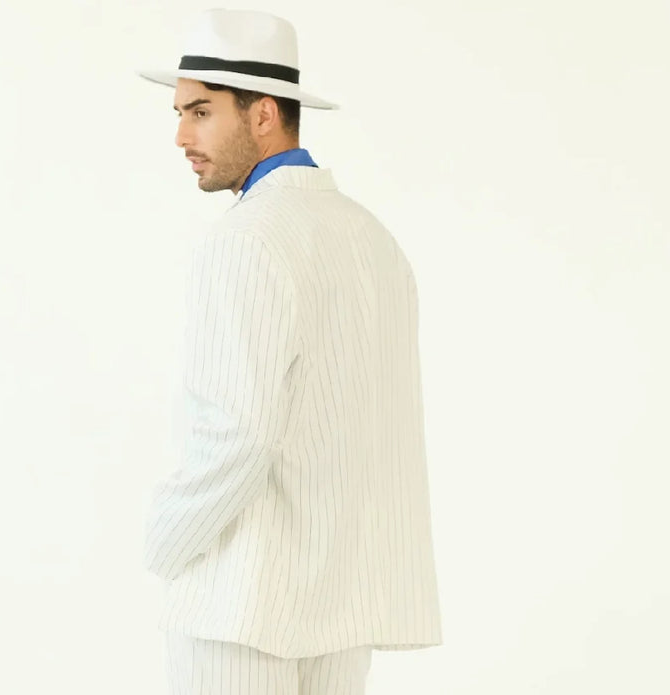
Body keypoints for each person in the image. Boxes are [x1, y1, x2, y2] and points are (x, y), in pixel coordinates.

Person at [137, 8, 442, 695]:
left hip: (240, 605)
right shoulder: (372, 240)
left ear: (264, 113)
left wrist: (163, 540)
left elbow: (235, 433)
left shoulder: (246, 238)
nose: (181, 135)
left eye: (201, 112)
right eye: (180, 113)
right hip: (342, 604)